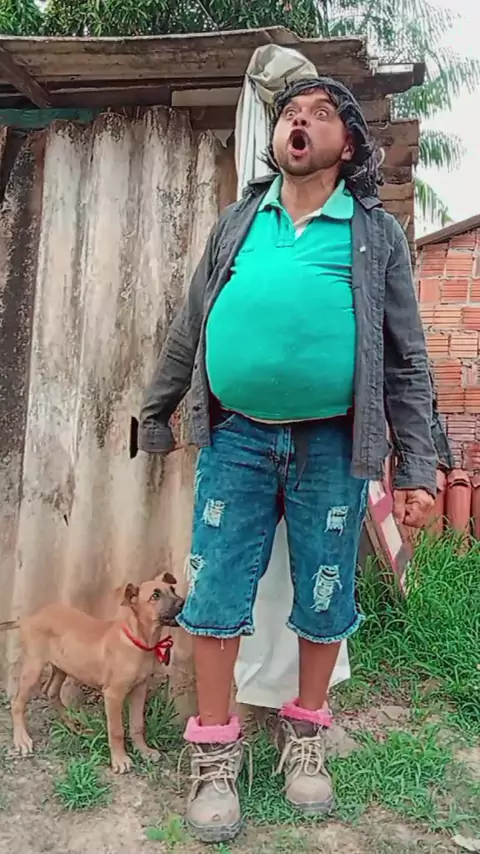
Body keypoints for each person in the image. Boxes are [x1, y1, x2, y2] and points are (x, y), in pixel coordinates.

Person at [136, 77, 437, 843]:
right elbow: (190, 323)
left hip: (333, 444)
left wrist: (417, 466)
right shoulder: (240, 220)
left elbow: (406, 359)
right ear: (277, 139)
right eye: (289, 113)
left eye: (320, 113)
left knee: (325, 591)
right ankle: (214, 754)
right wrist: (156, 410)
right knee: (214, 593)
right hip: (236, 438)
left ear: (349, 142)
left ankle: (305, 737)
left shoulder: (373, 234)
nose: (299, 121)